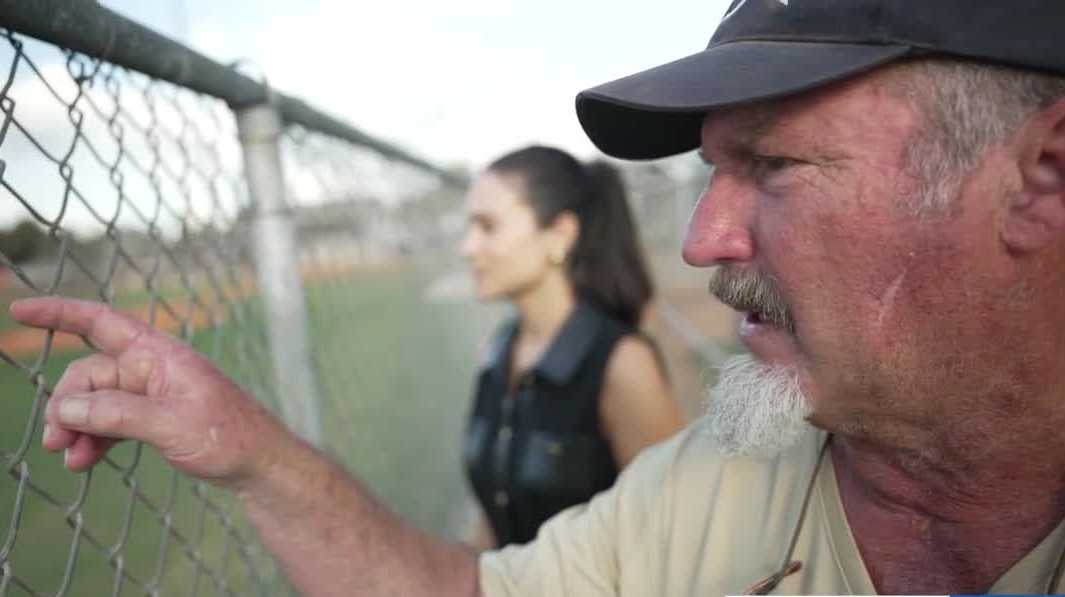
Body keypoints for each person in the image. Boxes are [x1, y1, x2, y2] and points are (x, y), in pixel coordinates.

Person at [11, 0, 1065, 594]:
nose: (703, 239)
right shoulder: (726, 478)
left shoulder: (632, 373)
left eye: (777, 167)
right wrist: (250, 447)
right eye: (711, 174)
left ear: (1043, 179)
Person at [460, 146, 682, 549]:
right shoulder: (495, 352)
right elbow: (492, 518)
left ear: (560, 234)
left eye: (488, 227)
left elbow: (669, 538)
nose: (468, 247)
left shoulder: (622, 365)